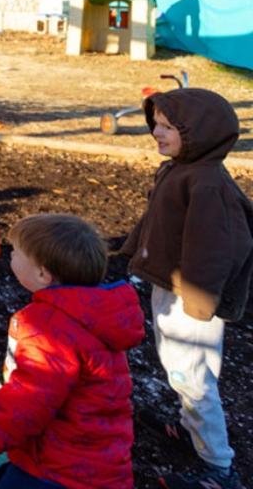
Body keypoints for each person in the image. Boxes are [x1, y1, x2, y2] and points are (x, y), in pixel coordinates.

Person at [121, 88, 252, 489]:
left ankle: (218, 466)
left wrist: (199, 302)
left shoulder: (207, 183)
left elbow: (216, 247)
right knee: (178, 366)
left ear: (199, 132)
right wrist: (128, 254)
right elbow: (154, 223)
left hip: (193, 300)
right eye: (155, 124)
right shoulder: (178, 169)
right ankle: (190, 431)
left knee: (192, 375)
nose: (156, 133)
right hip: (171, 286)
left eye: (168, 127)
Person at [0, 214, 145, 489]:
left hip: (57, 467)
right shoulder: (95, 316)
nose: (11, 258)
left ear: (43, 274)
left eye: (16, 253)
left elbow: (32, 395)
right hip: (100, 458)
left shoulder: (48, 326)